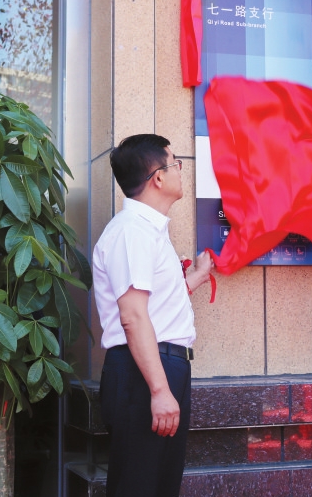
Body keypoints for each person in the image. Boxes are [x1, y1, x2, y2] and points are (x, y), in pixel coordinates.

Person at [92, 134, 214, 497]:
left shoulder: (148, 231)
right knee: (139, 485)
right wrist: (159, 390)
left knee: (159, 484)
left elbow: (153, 306)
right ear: (158, 177)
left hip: (157, 366)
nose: (181, 170)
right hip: (143, 372)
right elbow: (133, 317)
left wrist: (194, 279)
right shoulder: (132, 231)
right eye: (176, 163)